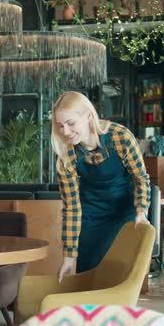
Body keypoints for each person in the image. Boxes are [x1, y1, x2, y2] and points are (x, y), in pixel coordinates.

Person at [51, 91, 151, 283]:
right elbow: (71, 208)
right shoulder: (66, 154)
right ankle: (91, 313)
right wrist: (69, 257)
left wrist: (141, 212)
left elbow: (140, 178)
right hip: (91, 215)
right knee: (88, 275)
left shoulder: (120, 137)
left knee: (118, 275)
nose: (64, 132)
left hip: (126, 212)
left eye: (70, 123)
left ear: (88, 116)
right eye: (60, 126)